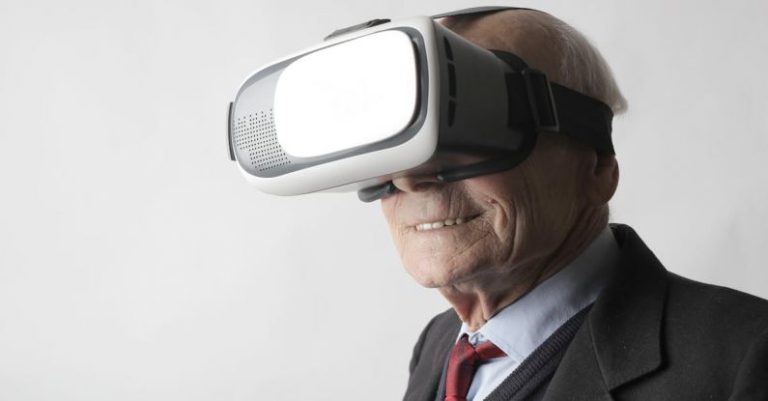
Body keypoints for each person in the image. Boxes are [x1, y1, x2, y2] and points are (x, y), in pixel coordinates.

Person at [380, 9, 768, 401]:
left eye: (473, 129)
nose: (409, 178)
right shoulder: (438, 344)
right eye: (394, 140)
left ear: (597, 166)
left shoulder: (747, 356)